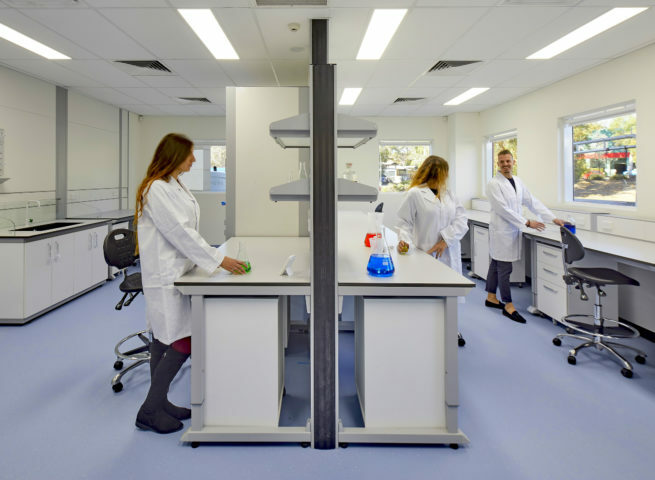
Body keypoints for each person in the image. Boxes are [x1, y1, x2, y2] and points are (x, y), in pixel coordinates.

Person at [133, 133, 246, 434]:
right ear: (174, 155)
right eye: (189, 155)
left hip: (180, 270)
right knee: (183, 338)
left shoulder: (174, 184)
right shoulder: (157, 188)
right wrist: (218, 259)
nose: (194, 160)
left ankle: (161, 403)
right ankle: (148, 411)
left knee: (163, 338)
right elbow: (179, 232)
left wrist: (209, 258)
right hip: (166, 275)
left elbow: (186, 231)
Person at [485, 149, 565, 323]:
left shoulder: (518, 181)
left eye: (508, 161)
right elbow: (502, 209)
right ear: (498, 164)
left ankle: (491, 297)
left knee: (496, 263)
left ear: (513, 162)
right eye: (502, 162)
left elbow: (532, 202)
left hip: (512, 229)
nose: (505, 164)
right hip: (502, 231)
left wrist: (552, 218)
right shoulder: (493, 184)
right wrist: (527, 222)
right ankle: (508, 305)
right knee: (504, 268)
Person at [396, 155, 468, 274]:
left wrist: (445, 241)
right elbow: (404, 221)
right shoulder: (415, 193)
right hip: (427, 251)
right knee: (428, 282)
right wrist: (404, 241)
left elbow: (461, 220)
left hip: (449, 251)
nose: (444, 177)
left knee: (451, 282)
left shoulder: (449, 194)